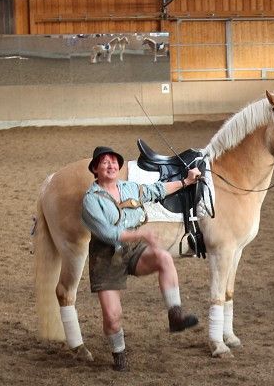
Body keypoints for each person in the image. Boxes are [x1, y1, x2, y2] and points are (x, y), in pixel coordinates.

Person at [81, 146, 202, 372]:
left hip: (134, 249)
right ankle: (119, 354)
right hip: (106, 257)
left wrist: (186, 182)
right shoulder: (90, 201)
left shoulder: (129, 188)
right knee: (112, 317)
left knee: (164, 259)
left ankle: (175, 314)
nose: (111, 165)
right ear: (95, 169)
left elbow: (156, 190)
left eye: (114, 162)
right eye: (104, 162)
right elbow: (109, 233)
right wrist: (142, 233)